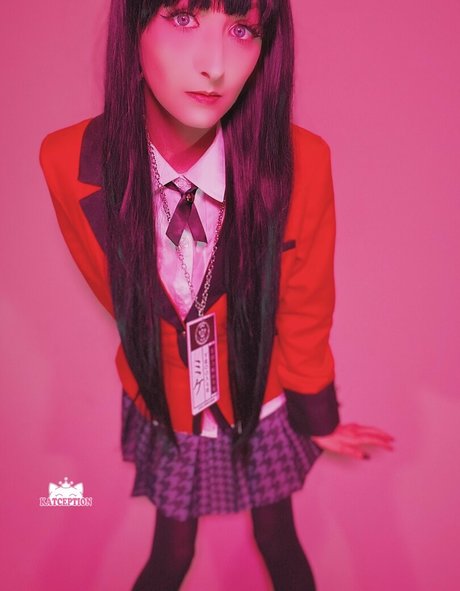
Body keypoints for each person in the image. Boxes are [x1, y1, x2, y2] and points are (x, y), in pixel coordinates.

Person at [39, 1, 394, 589]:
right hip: (166, 399)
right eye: (183, 17)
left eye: (242, 28)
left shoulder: (302, 163)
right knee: (171, 553)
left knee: (277, 538)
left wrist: (317, 413)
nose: (217, 65)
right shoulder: (66, 161)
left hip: (262, 391)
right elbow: (117, 294)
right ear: (133, 26)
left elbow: (305, 305)